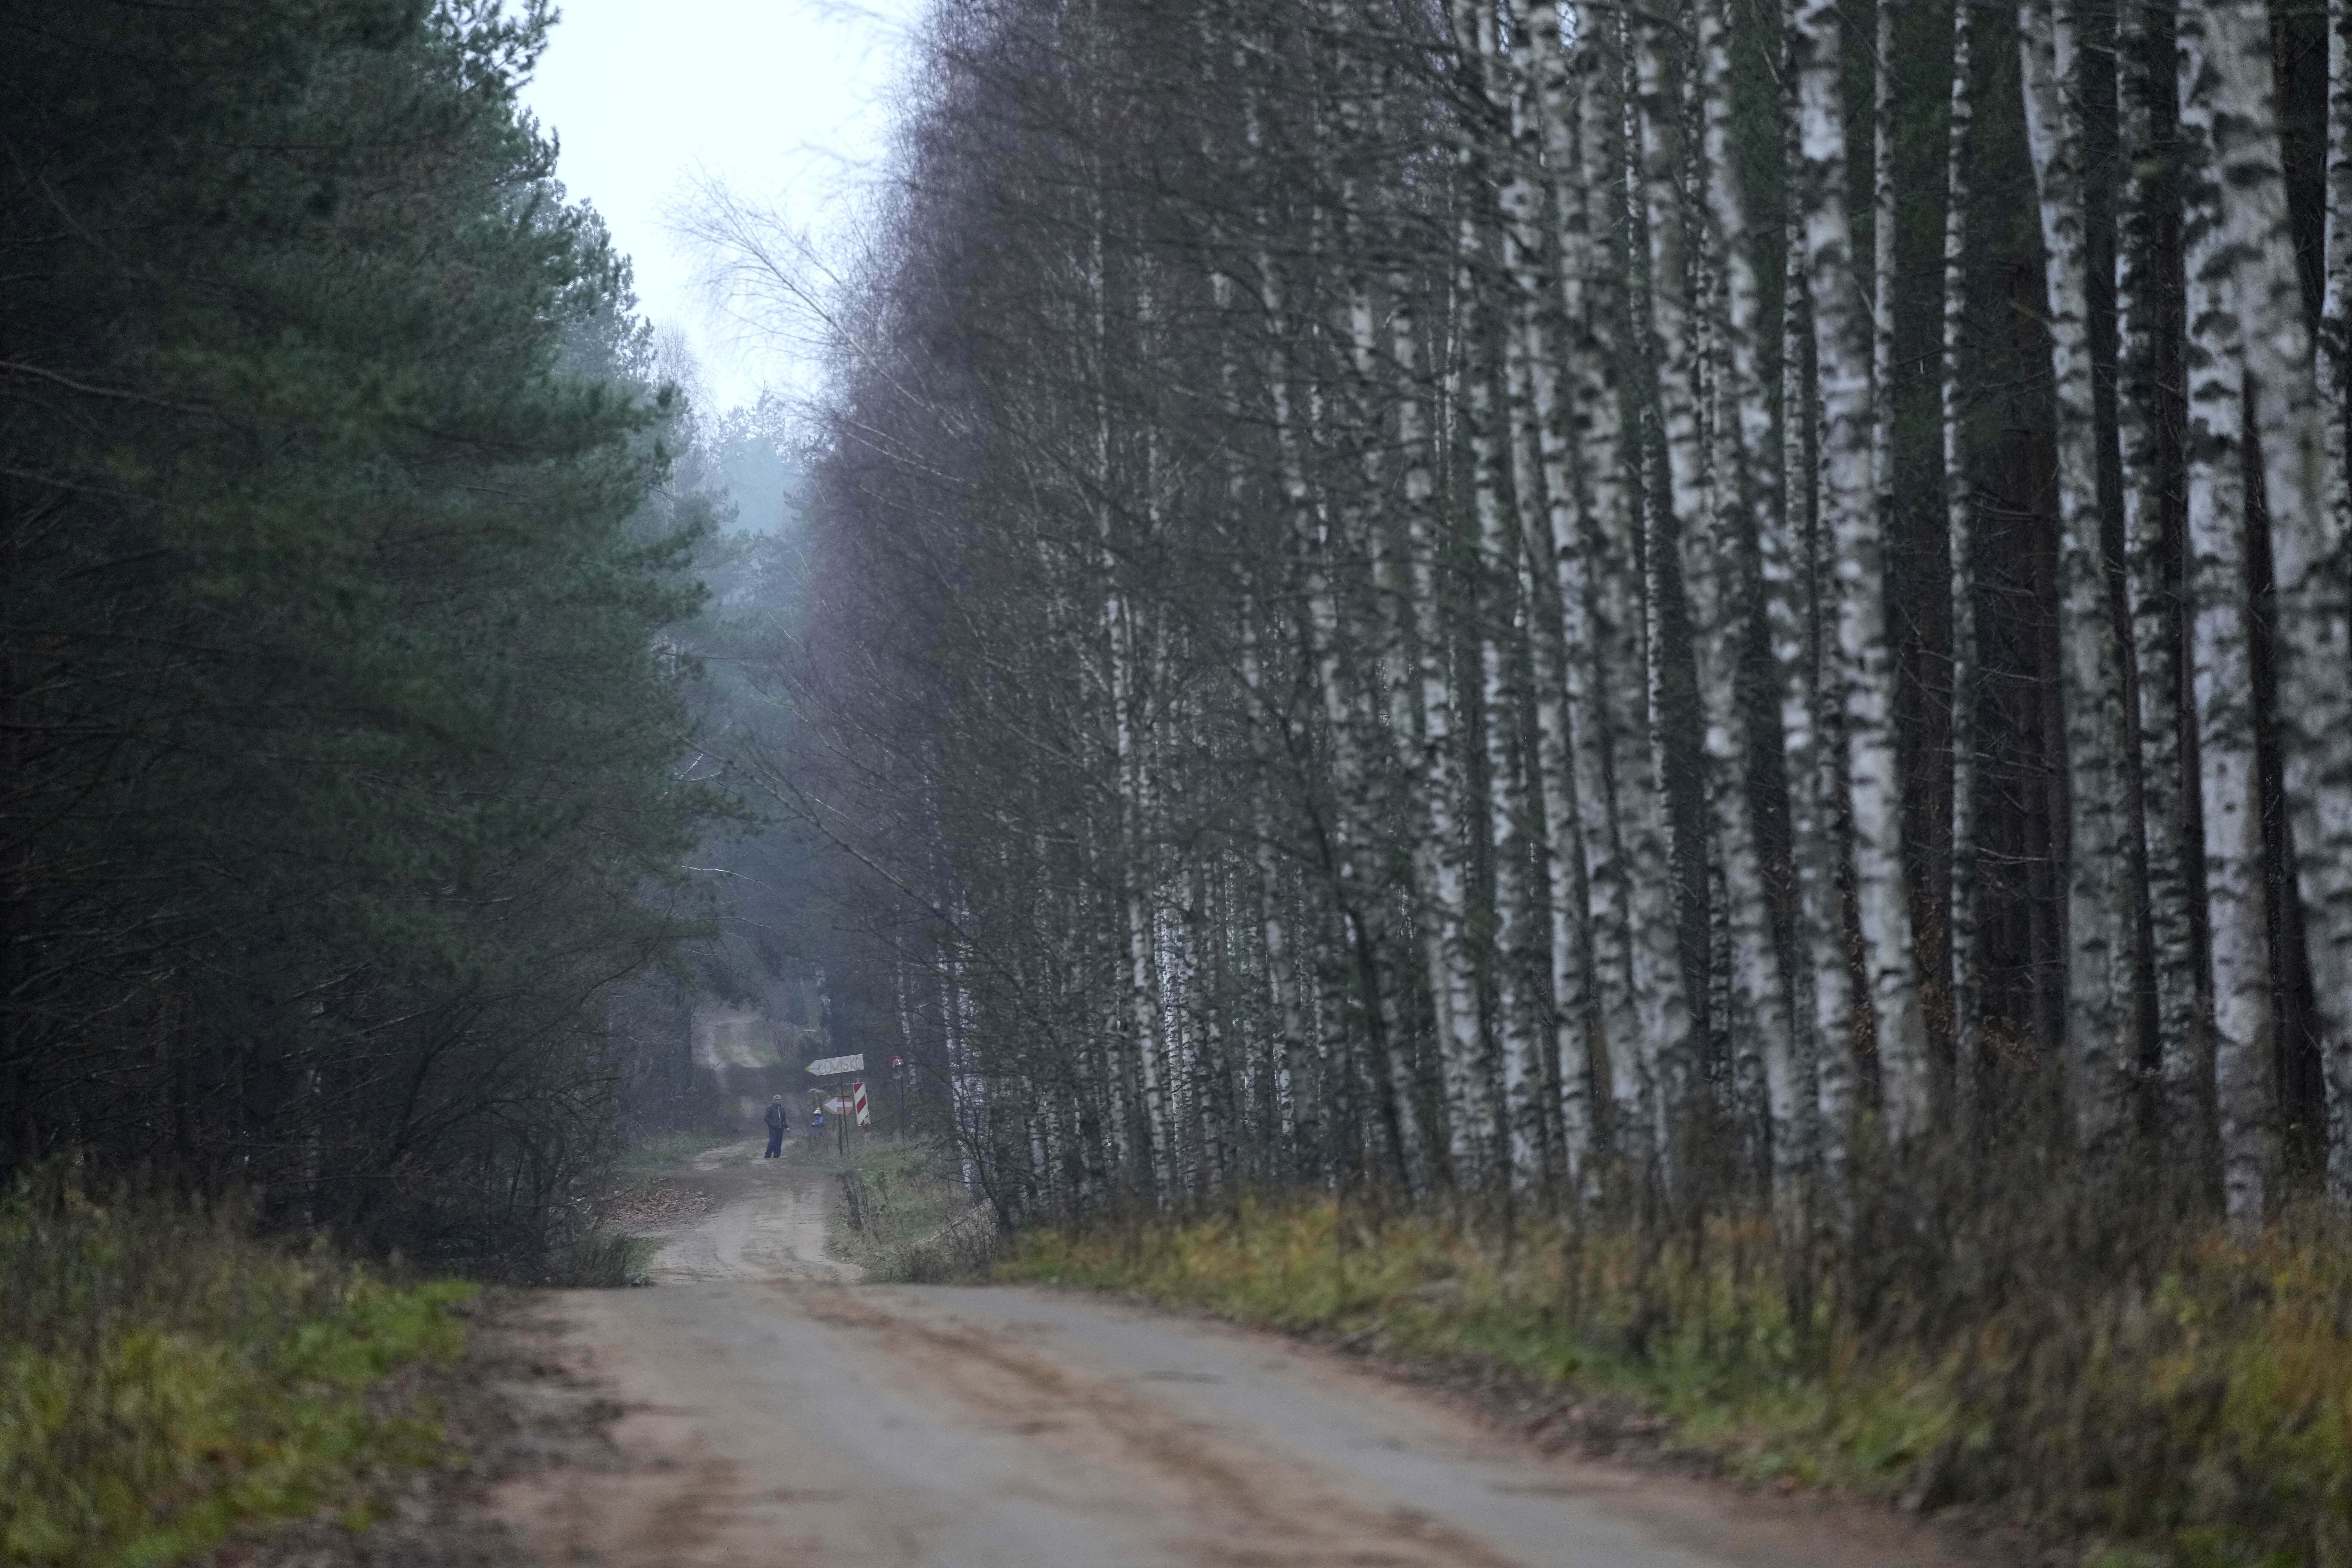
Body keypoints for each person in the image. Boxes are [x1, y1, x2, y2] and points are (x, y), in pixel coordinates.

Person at [762, 1095, 786, 1159]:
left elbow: (784, 1119)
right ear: (774, 1101)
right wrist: (772, 1124)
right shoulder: (770, 1108)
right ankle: (768, 1155)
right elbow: (766, 1118)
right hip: (773, 1129)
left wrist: (787, 1127)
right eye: (776, 1100)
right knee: (772, 1141)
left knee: (779, 1142)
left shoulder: (782, 1109)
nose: (778, 1101)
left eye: (779, 1100)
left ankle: (777, 1156)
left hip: (781, 1128)